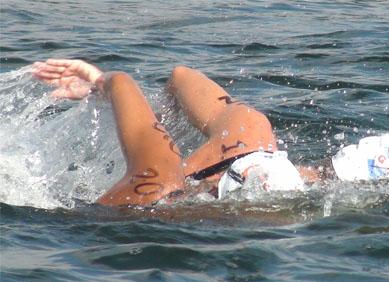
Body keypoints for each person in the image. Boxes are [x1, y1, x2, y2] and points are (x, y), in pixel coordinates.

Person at [32, 59, 307, 205]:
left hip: (159, 197)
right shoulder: (253, 136)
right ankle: (161, 117)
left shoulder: (157, 187)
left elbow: (121, 82)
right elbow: (181, 76)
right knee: (248, 123)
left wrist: (95, 81)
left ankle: (155, 121)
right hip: (248, 164)